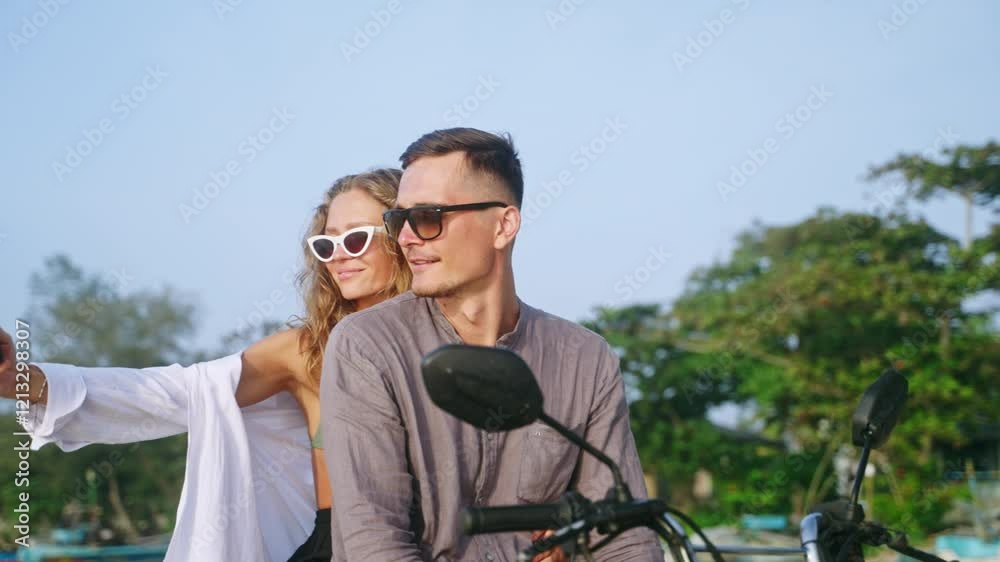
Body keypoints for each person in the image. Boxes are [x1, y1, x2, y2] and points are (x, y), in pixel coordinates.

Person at [0, 168, 411, 562]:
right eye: (326, 244)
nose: (338, 257)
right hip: (337, 548)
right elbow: (179, 392)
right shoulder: (308, 352)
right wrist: (21, 378)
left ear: (404, 236)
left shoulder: (452, 340)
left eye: (356, 239)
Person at [320, 128, 664, 561]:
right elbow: (373, 540)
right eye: (399, 219)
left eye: (428, 217)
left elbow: (626, 535)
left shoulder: (584, 358)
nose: (406, 237)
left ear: (503, 225)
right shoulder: (368, 344)